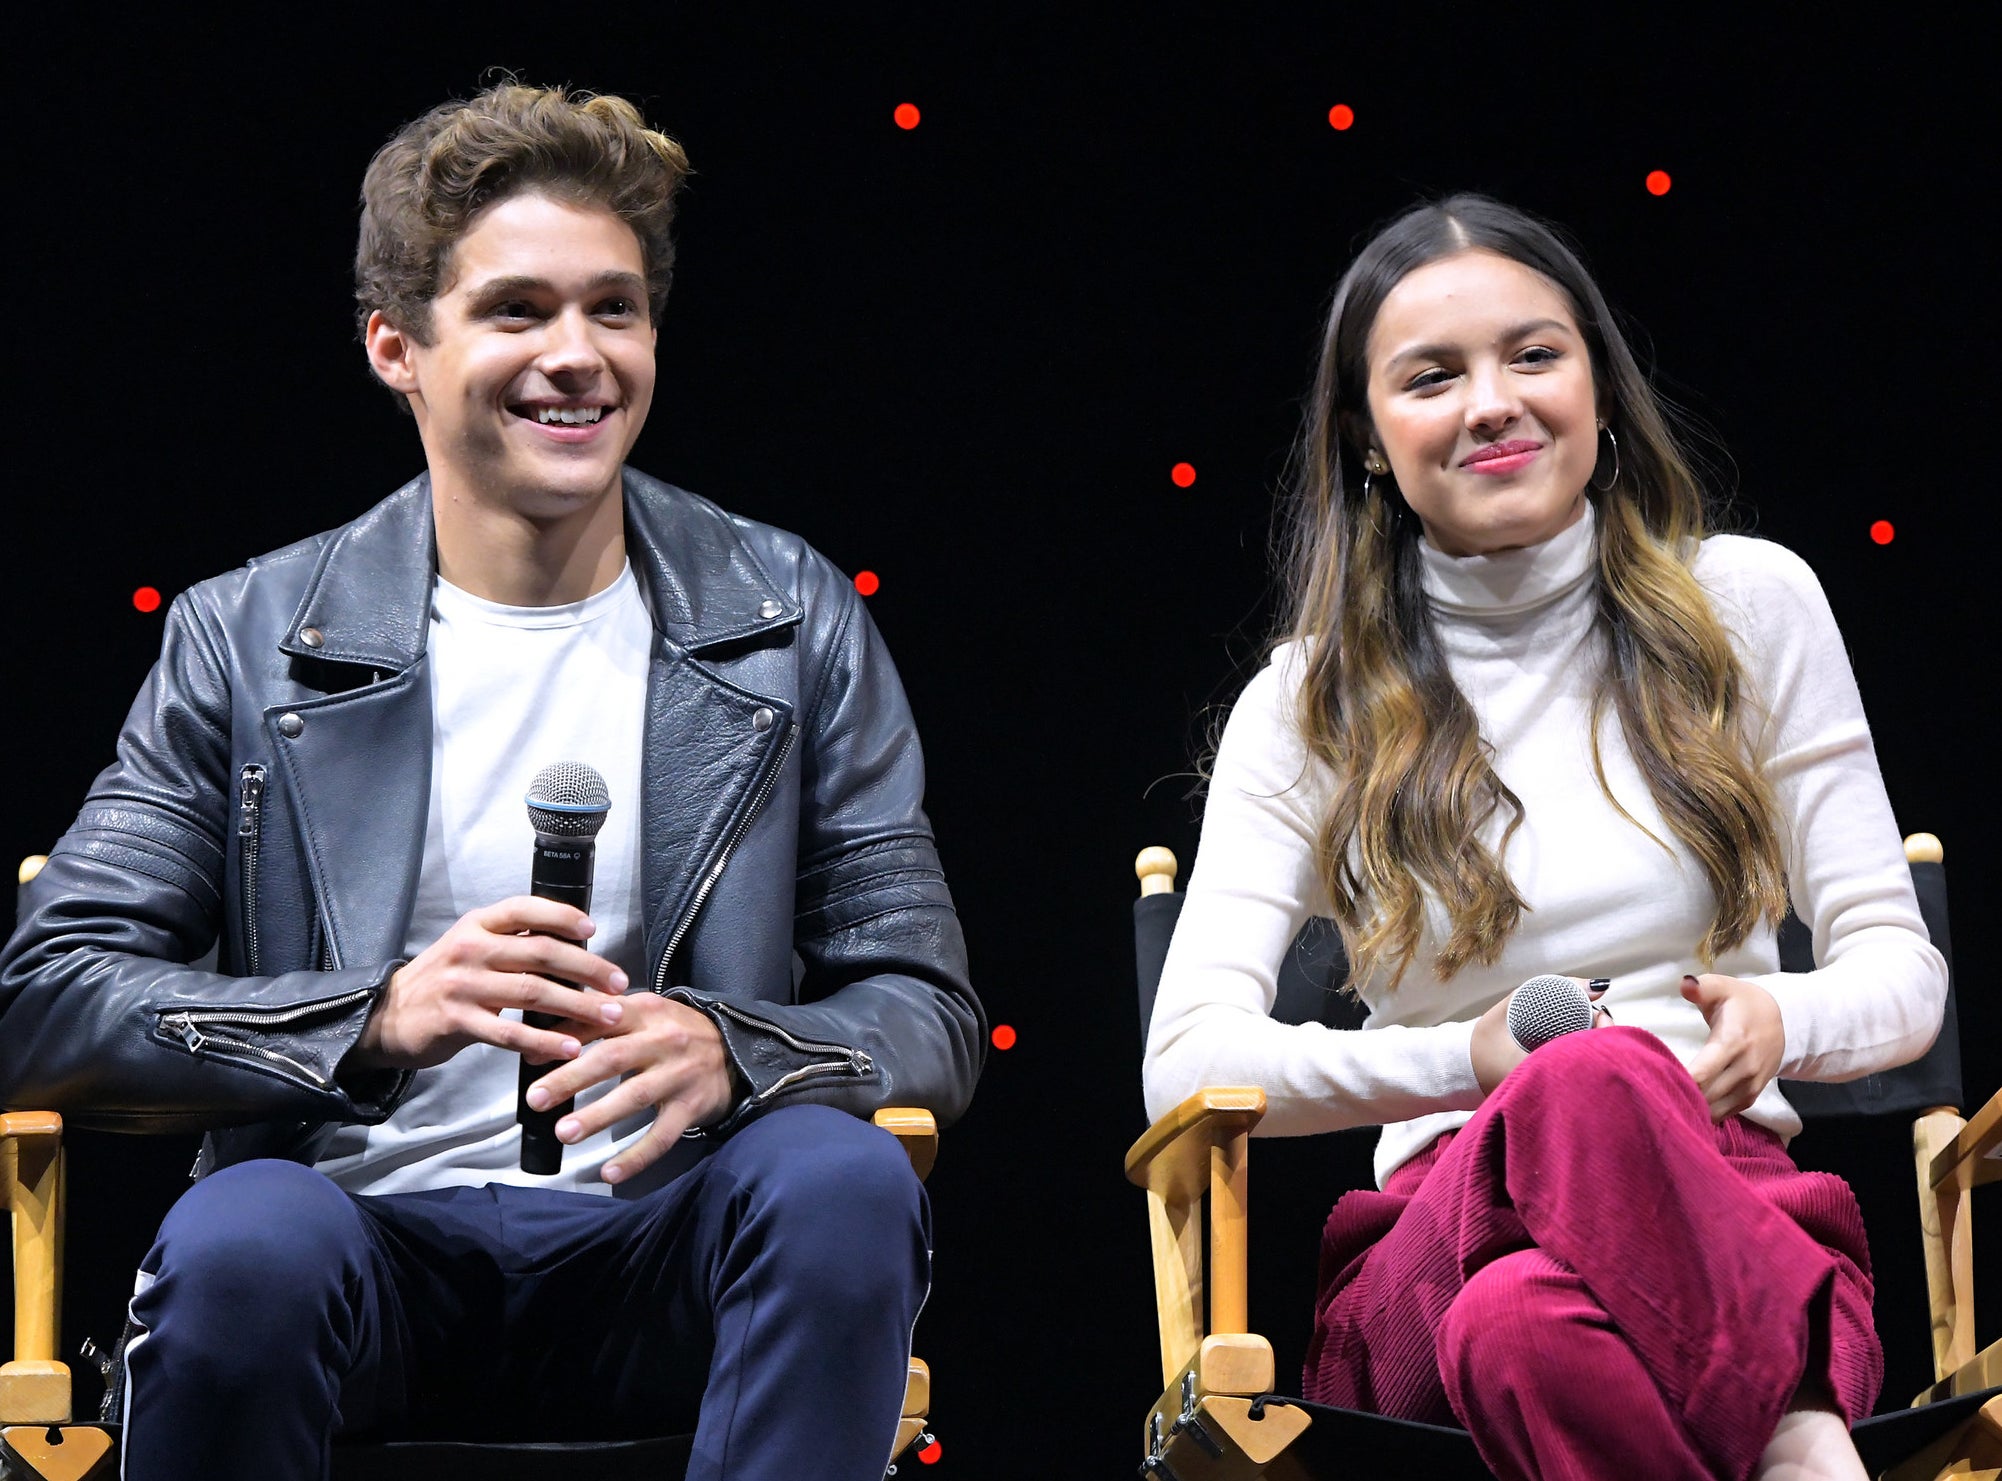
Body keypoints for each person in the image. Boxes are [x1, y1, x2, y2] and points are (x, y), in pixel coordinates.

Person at [0, 82, 983, 1481]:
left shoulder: (786, 614)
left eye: (615, 309)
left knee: (839, 1178)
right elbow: (45, 1002)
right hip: (360, 1254)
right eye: (519, 311)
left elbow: (928, 1011)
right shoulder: (249, 636)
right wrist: (377, 1014)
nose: (577, 356)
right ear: (395, 345)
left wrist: (735, 1050)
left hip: (668, 1251)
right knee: (245, 1239)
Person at [1142, 194, 1945, 1481]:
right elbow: (1181, 1065)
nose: (1492, 402)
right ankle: (1792, 1428)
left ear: (1599, 384)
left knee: (1523, 1331)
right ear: (1365, 434)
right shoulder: (1309, 702)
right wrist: (1471, 1055)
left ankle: (1786, 1410)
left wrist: (1782, 1021)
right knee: (1578, 1071)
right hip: (1431, 1232)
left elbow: (1902, 978)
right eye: (1431, 376)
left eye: (1532, 354)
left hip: (1740, 1204)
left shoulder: (1753, 604)